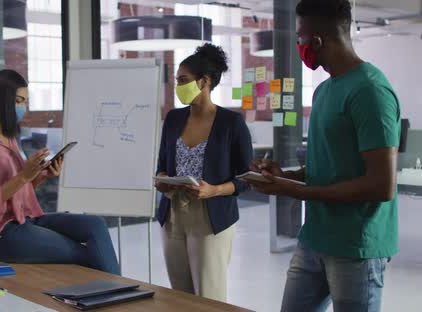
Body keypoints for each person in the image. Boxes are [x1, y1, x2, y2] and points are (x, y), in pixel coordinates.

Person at [247, 1, 400, 311]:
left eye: (300, 37)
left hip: (355, 246)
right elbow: (328, 163)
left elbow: (381, 185)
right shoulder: (324, 90)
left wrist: (298, 191)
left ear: (316, 41)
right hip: (315, 237)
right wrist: (287, 176)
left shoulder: (369, 91)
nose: (298, 45)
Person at [0, 69, 120, 275]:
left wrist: (40, 176)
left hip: (27, 219)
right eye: (18, 100)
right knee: (86, 254)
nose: (23, 107)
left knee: (95, 225)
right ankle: (120, 298)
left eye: (25, 101)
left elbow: (16, 193)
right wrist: (23, 176)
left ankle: (118, 294)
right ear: (0, 101)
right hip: (3, 235)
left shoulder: (10, 139)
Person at [155, 43, 253, 302]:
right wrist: (163, 181)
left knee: (209, 297)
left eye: (183, 80)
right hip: (172, 214)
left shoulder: (231, 123)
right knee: (179, 296)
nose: (178, 87)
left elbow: (246, 178)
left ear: (204, 81)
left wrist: (214, 190)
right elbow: (162, 164)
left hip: (210, 217)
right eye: (177, 80)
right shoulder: (173, 119)